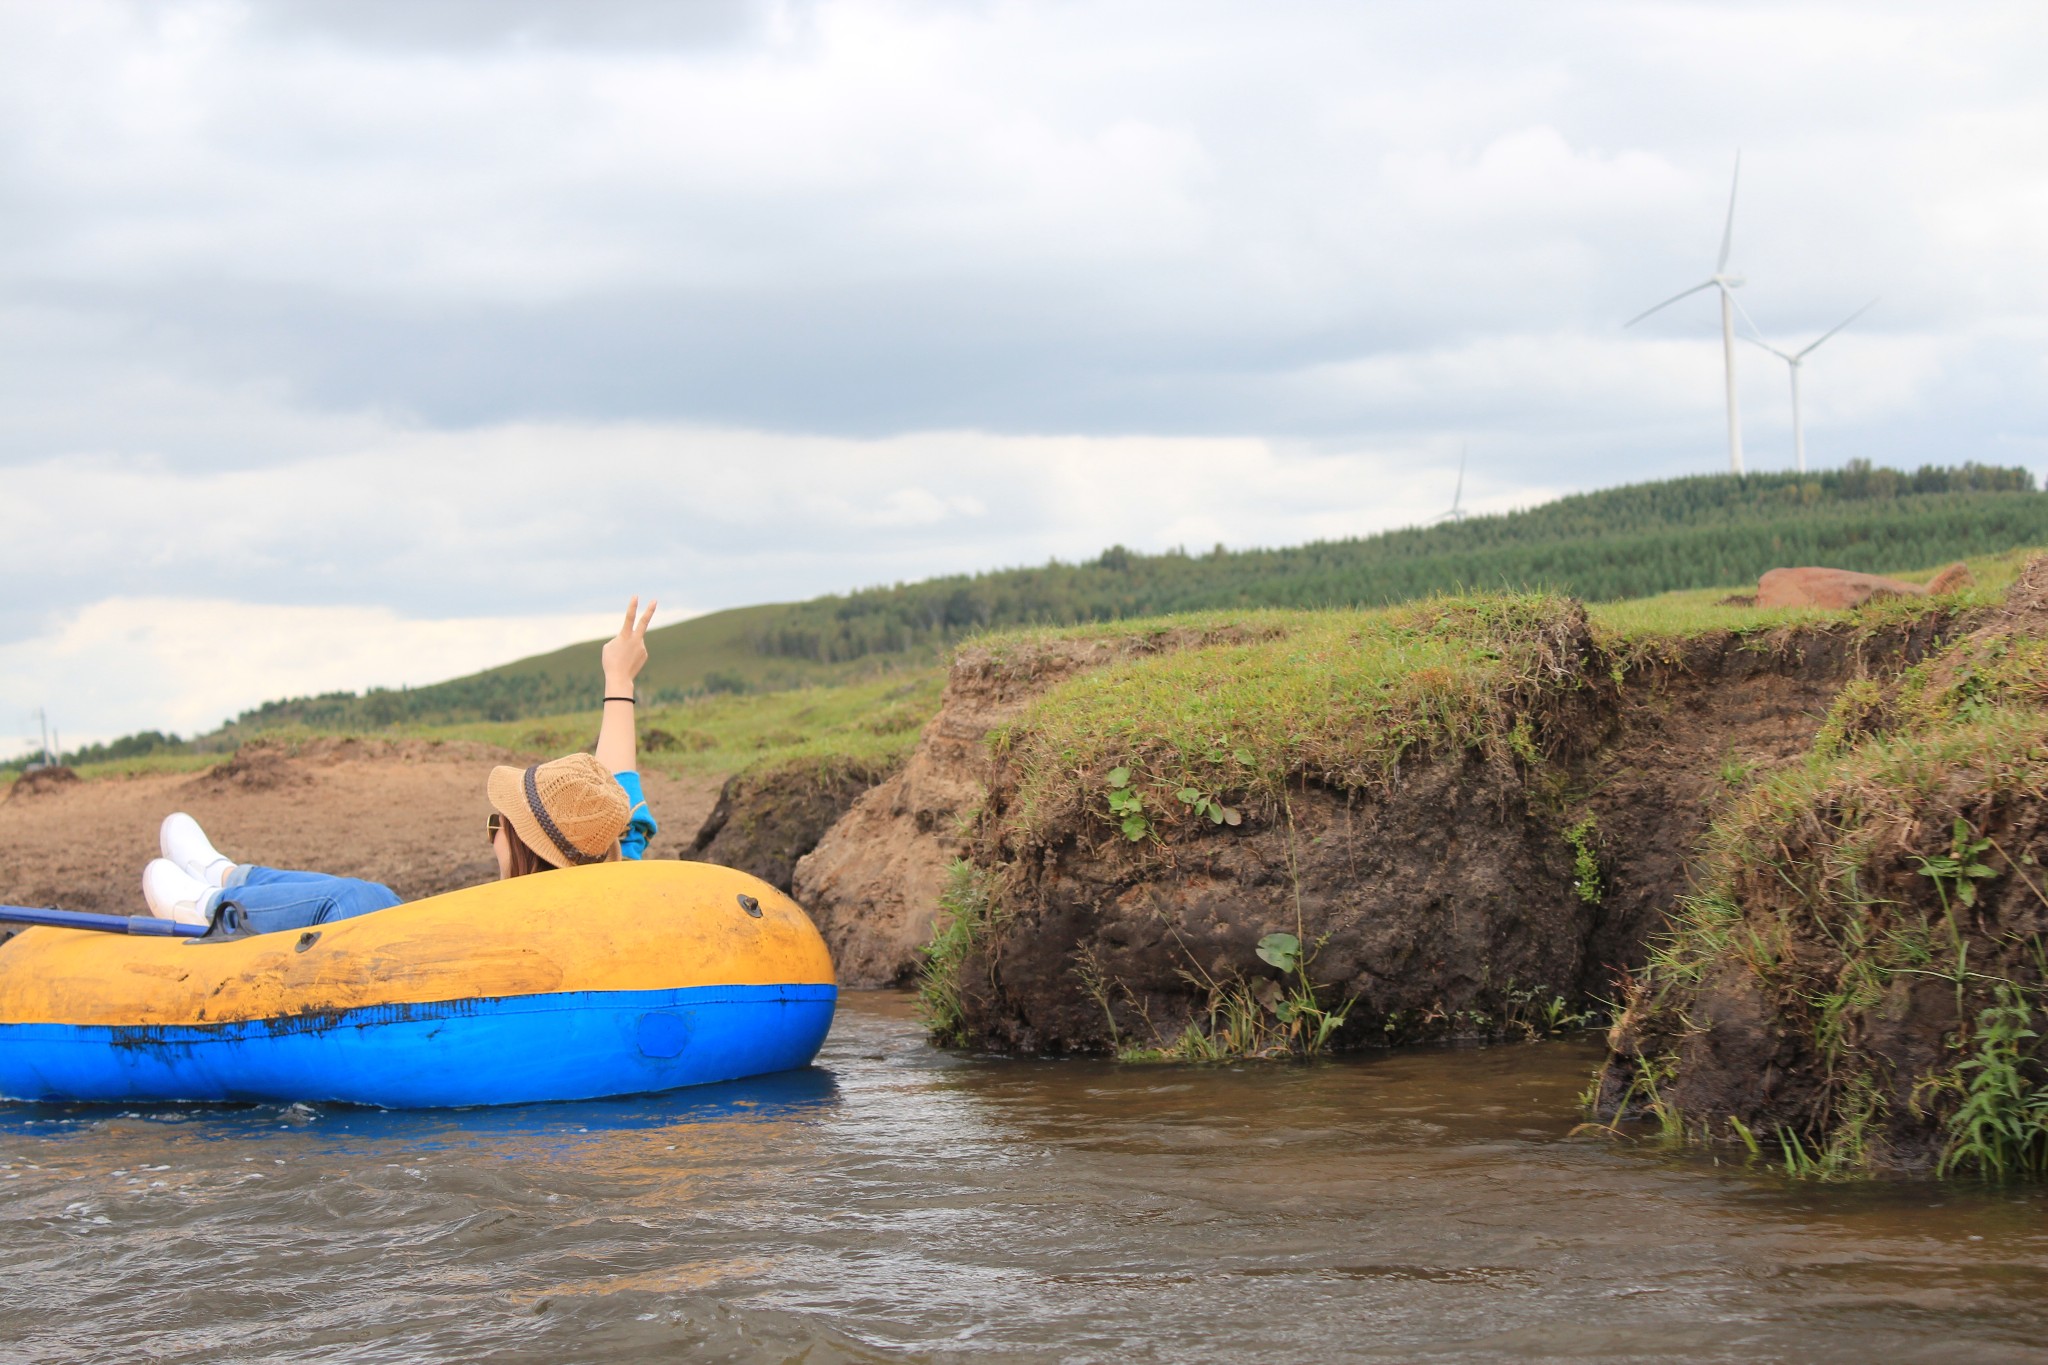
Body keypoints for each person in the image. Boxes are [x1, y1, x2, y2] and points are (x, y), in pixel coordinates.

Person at [140, 597, 662, 935]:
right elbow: (609, 788)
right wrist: (619, 677)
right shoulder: (608, 853)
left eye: (496, 827)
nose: (493, 835)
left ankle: (212, 911)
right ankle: (227, 875)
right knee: (376, 899)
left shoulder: (519, 926)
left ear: (528, 850)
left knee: (359, 902)